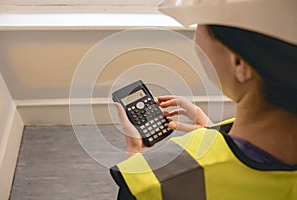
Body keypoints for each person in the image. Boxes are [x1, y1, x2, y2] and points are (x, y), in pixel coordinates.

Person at [110, 0, 297, 199]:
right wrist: (215, 138)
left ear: (239, 63)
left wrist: (137, 160)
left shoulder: (151, 183)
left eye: (201, 24)